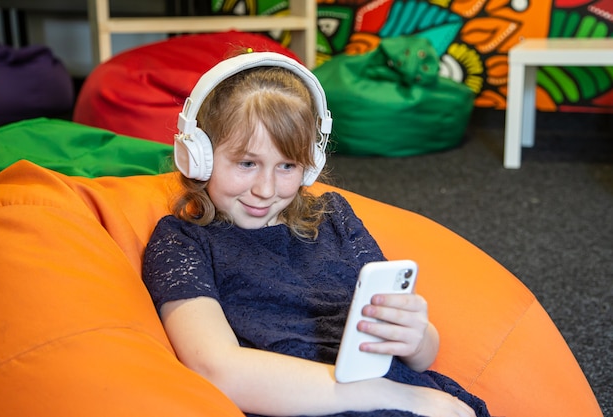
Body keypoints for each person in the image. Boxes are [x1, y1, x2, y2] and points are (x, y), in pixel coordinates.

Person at [142, 51, 490, 417]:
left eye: (288, 165)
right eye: (247, 163)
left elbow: (418, 355)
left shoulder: (334, 217)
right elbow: (216, 369)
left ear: (311, 164)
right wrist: (395, 397)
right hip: (316, 402)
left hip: (399, 391)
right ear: (198, 156)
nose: (265, 188)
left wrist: (417, 339)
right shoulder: (181, 242)